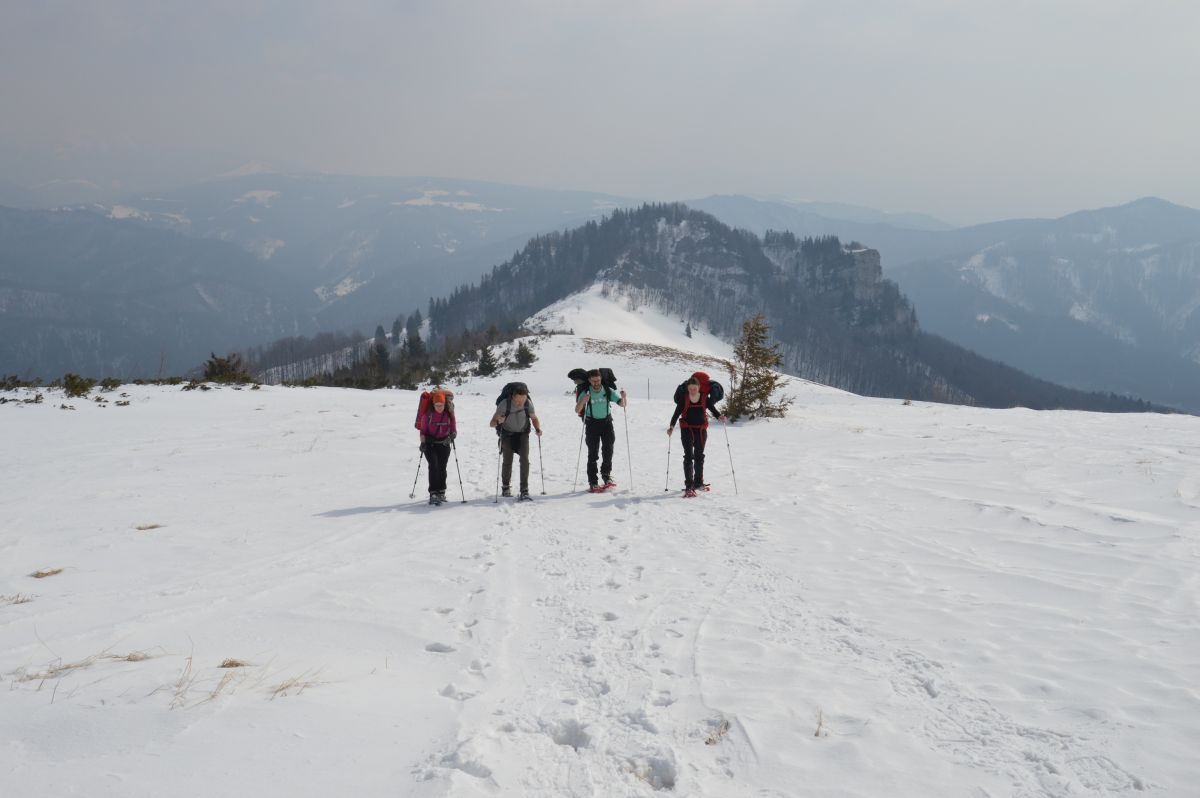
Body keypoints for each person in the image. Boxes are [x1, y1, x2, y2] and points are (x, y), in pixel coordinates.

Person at [668, 376, 726, 497]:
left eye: (694, 388)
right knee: (689, 456)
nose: (693, 391)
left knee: (699, 456)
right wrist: (671, 427)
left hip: (700, 430)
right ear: (688, 389)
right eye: (690, 389)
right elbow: (676, 414)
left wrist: (719, 416)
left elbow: (713, 410)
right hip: (687, 429)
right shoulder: (684, 399)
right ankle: (689, 486)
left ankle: (698, 482)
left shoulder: (705, 399)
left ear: (699, 388)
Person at [574, 368, 626, 492]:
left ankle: (606, 476)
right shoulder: (586, 392)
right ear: (589, 381)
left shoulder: (608, 390)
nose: (596, 383)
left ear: (601, 379)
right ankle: (593, 481)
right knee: (593, 454)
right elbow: (577, 410)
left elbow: (622, 404)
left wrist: (624, 397)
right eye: (593, 381)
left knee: (608, 451)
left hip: (607, 424)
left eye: (598, 381)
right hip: (592, 425)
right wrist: (583, 400)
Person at [489, 385, 542, 500]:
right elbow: (491, 423)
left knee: (525, 460)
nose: (520, 403)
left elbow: (534, 418)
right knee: (507, 461)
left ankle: (524, 489)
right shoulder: (504, 404)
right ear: (513, 397)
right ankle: (505, 487)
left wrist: (537, 429)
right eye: (518, 400)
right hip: (507, 435)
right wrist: (498, 421)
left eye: (523, 400)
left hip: (522, 434)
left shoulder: (528, 403)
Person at [417, 391, 457, 505]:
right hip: (430, 444)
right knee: (433, 466)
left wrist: (452, 436)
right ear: (433, 405)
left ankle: (441, 491)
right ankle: (433, 492)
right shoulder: (427, 415)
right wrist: (423, 443)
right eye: (437, 405)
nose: (439, 407)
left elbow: (454, 429)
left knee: (442, 467)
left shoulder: (449, 414)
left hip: (444, 443)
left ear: (445, 405)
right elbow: (423, 431)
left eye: (442, 405)